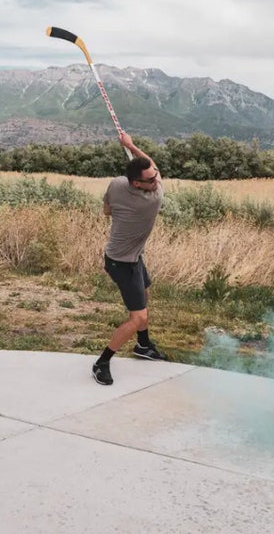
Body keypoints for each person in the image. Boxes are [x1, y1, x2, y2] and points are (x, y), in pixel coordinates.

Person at [92, 131, 168, 386]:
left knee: (145, 294)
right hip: (123, 264)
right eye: (150, 179)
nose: (156, 179)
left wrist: (131, 149)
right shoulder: (153, 199)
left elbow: (106, 210)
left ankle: (143, 345)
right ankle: (102, 362)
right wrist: (132, 145)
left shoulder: (116, 184)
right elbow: (153, 164)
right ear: (138, 184)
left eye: (155, 177)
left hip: (131, 256)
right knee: (138, 318)